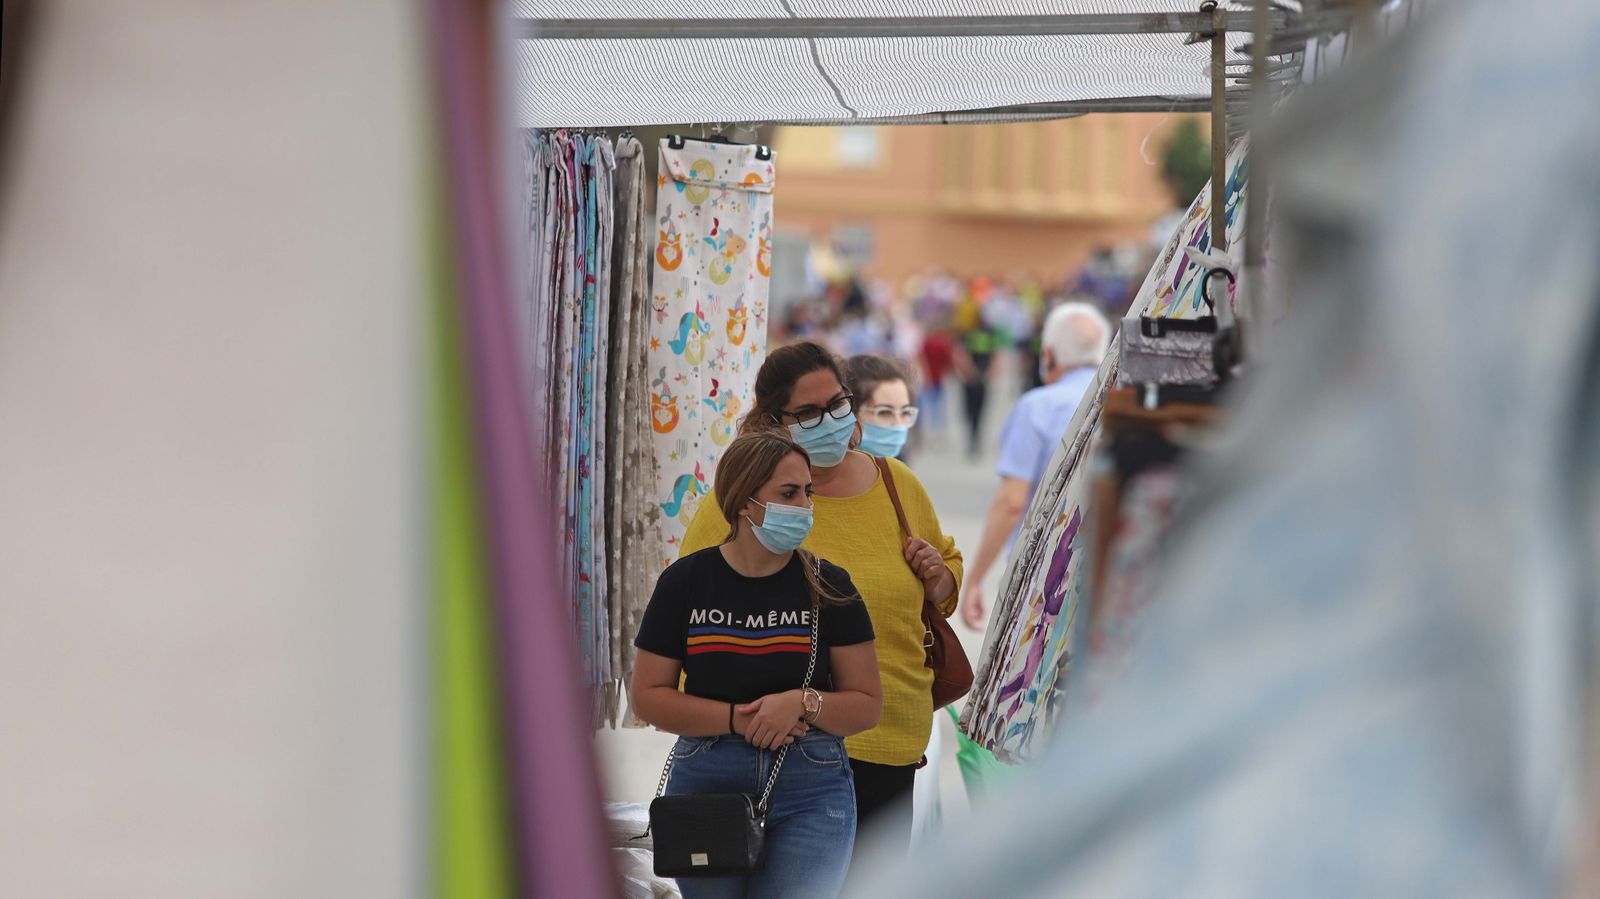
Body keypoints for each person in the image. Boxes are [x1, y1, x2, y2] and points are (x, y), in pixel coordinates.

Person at [679, 342, 963, 875]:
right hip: (777, 750)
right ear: (773, 421)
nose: (829, 421)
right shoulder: (742, 497)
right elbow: (686, 607)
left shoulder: (897, 484)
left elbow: (945, 575)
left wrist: (939, 577)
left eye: (837, 404)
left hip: (886, 743)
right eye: (808, 413)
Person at [631, 431, 883, 898]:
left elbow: (867, 705)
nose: (804, 505)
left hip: (811, 785)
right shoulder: (686, 582)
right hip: (706, 779)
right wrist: (736, 719)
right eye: (788, 493)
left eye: (808, 491)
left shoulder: (830, 585)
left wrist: (802, 702)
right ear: (744, 502)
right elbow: (648, 696)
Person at [960, 302, 1110, 630]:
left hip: (1044, 574)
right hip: (1108, 571)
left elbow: (1011, 503)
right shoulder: (1123, 398)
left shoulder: (1036, 407)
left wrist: (975, 579)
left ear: (1051, 354)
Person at [843, 354, 918, 460]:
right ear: (849, 413)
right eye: (884, 412)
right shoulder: (819, 473)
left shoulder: (900, 471)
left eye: (905, 412)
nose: (898, 424)